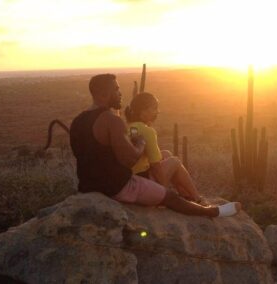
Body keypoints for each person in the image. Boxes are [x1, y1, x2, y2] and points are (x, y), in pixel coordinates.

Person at [70, 73, 241, 217]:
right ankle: (213, 212)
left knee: (164, 160)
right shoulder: (111, 120)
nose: (120, 93)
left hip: (88, 186)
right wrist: (140, 143)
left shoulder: (78, 121)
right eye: (116, 90)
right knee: (170, 197)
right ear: (102, 95)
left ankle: (193, 199)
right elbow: (129, 159)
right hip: (118, 187)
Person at [124, 92, 201, 203]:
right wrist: (164, 192)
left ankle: (184, 195)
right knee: (175, 161)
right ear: (144, 111)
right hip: (143, 181)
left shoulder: (131, 127)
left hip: (132, 177)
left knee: (166, 154)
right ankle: (197, 198)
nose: (157, 112)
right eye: (154, 108)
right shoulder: (148, 131)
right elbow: (156, 166)